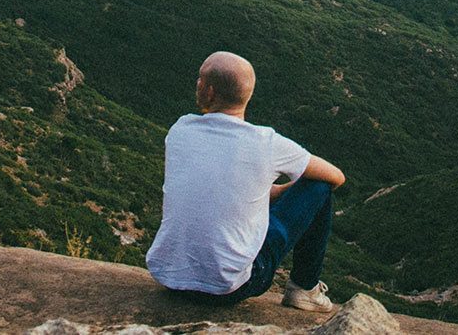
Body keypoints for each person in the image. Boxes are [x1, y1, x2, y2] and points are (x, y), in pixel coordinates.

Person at [145, 51, 345, 311]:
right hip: (227, 288)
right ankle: (305, 289)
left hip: (169, 276)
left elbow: (215, 179)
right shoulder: (266, 143)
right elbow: (336, 177)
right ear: (247, 95)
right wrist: (284, 191)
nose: (197, 83)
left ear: (208, 92)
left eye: (200, 80)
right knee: (319, 188)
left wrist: (267, 191)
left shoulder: (180, 130)